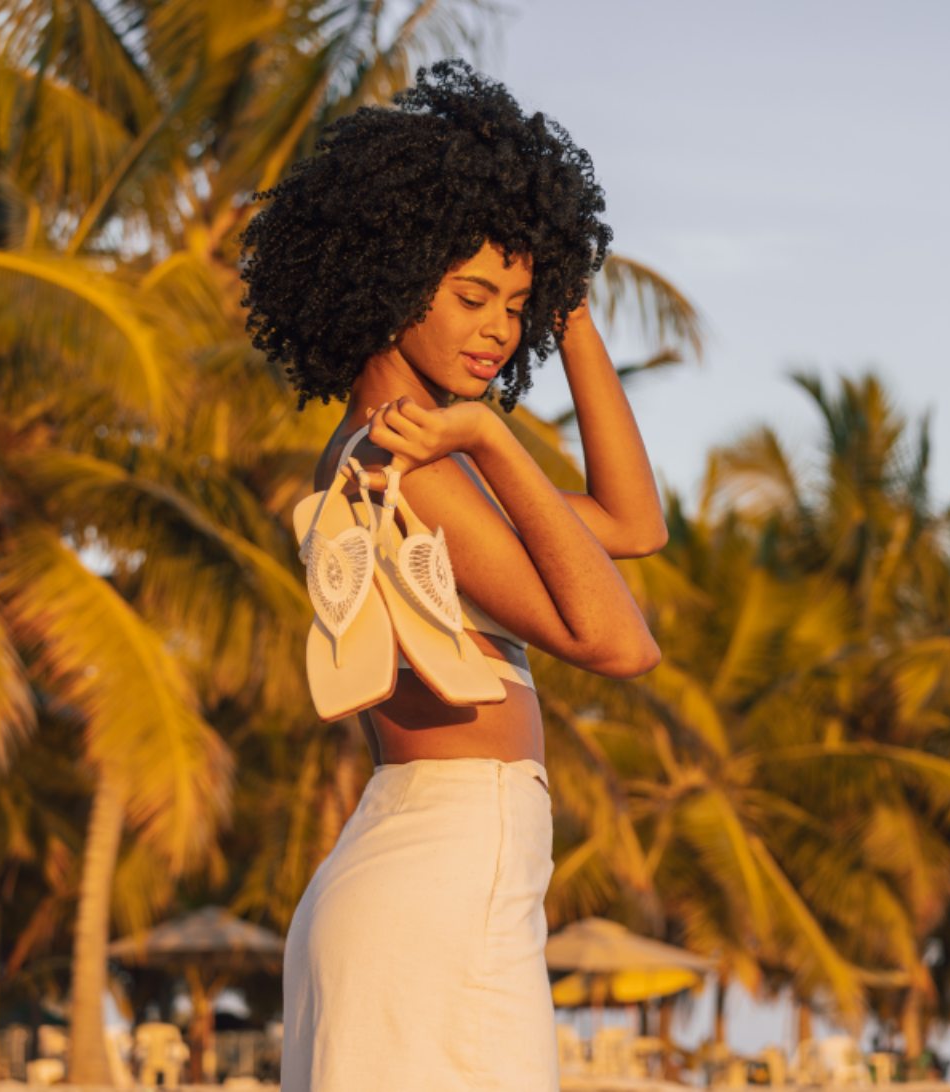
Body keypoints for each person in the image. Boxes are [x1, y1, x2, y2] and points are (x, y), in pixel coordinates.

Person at [240, 59, 664, 1091]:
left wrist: (569, 311)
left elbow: (629, 525)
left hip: (432, 869)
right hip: (439, 877)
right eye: (474, 295)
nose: (498, 330)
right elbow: (620, 642)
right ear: (388, 282)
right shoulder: (411, 467)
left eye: (517, 305)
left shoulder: (392, 455)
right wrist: (487, 435)